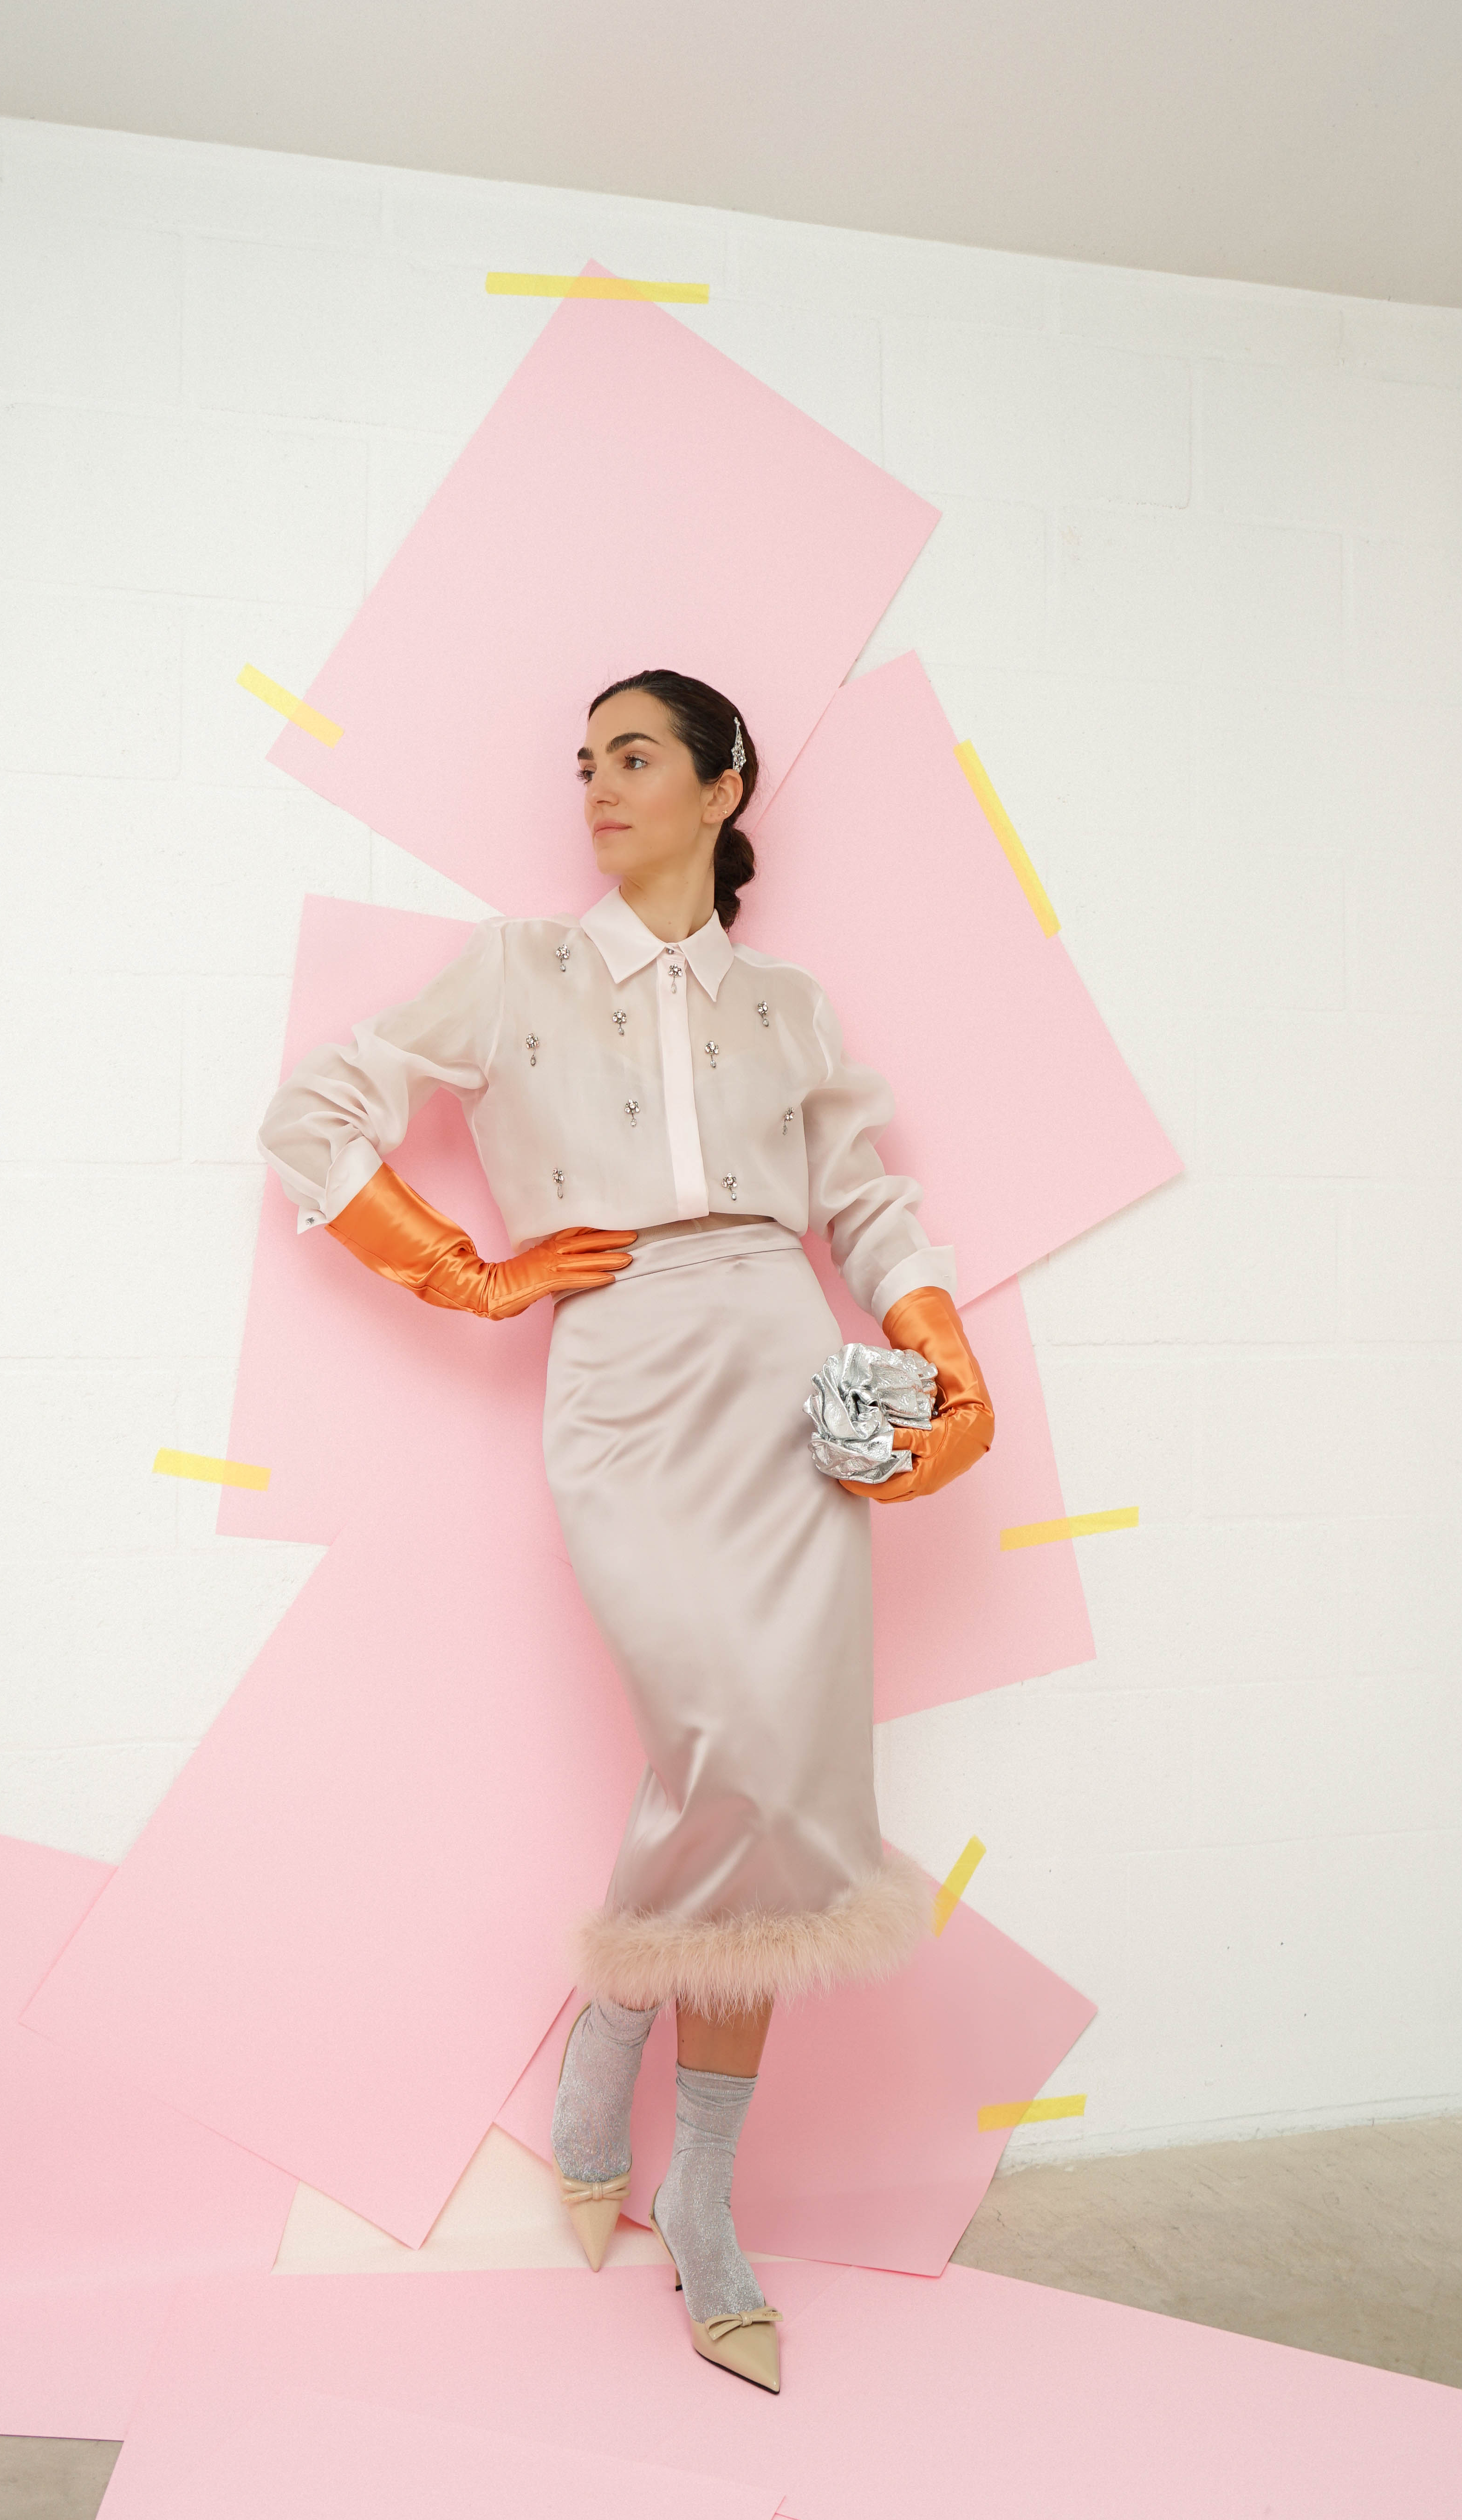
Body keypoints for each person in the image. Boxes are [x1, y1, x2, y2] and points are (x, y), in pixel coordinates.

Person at [258, 668, 995, 2394]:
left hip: (786, 1377)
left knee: (781, 1780)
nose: (596, 784)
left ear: (723, 788)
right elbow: (312, 1115)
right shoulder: (514, 970)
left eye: (635, 756)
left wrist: (945, 1365)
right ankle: (610, 2028)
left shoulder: (792, 1006)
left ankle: (700, 2191)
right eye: (584, 760)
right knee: (719, 1743)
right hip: (619, 1383)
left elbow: (866, 1205)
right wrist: (467, 1271)